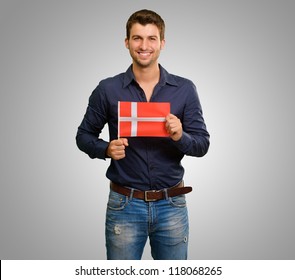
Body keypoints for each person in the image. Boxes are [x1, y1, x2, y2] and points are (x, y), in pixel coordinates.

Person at [76, 9, 210, 260]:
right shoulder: (107, 89)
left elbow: (202, 145)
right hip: (125, 204)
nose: (144, 45)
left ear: (162, 43)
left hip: (172, 204)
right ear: (127, 42)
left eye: (151, 38)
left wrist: (181, 135)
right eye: (137, 38)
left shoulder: (184, 89)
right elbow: (83, 136)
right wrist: (105, 149)